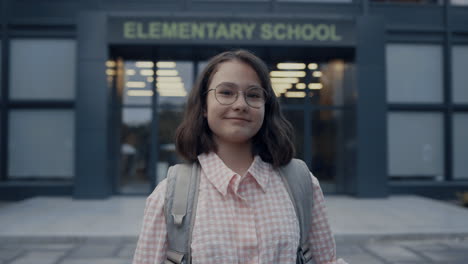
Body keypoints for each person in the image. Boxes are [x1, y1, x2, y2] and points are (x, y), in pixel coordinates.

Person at [132, 50, 347, 264]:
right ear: (204, 106)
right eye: (226, 92)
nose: (240, 105)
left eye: (253, 95)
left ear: (266, 107)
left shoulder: (301, 183)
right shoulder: (169, 195)